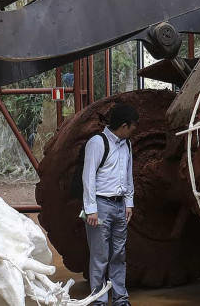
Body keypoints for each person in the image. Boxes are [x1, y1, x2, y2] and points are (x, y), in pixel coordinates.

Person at [83, 104, 136, 306]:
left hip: (120, 206)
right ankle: (99, 301)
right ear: (124, 125)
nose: (134, 131)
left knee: (119, 254)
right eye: (132, 127)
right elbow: (88, 177)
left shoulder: (126, 144)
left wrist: (128, 203)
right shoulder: (98, 143)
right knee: (100, 256)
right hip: (101, 205)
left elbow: (128, 175)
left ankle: (121, 299)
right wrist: (91, 209)